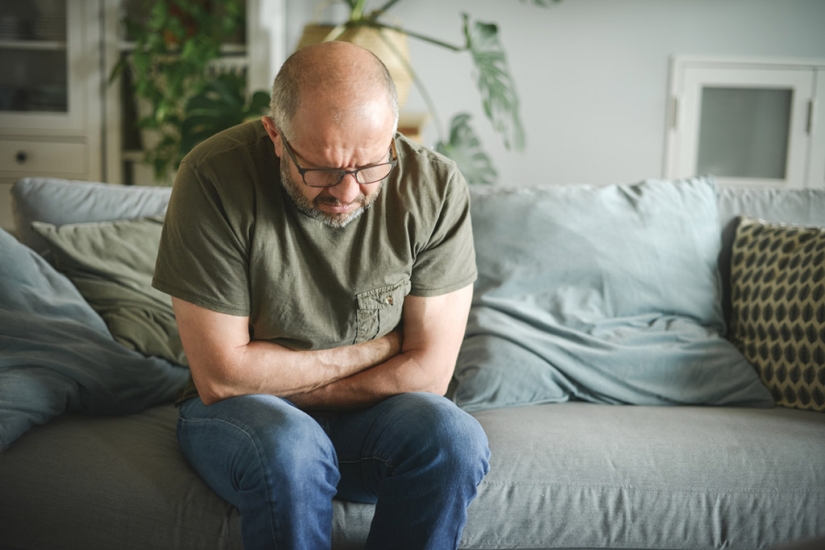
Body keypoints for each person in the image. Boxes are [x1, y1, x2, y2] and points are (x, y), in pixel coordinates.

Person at [152, 41, 490, 550]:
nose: (347, 192)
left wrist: (272, 375)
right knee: (292, 444)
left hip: (373, 422)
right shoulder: (212, 177)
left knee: (454, 439)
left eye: (370, 166)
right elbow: (223, 377)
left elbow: (429, 373)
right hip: (246, 421)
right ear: (276, 135)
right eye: (323, 170)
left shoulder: (435, 187)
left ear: (393, 138)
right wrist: (376, 351)